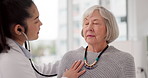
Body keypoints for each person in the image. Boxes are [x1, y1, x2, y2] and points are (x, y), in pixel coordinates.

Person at [0, 0, 85, 78]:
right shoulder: (12, 61)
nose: (41, 23)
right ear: (19, 29)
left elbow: (38, 71)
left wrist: (69, 60)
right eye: (36, 21)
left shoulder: (15, 55)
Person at [57, 5, 136, 78]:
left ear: (108, 28)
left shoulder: (124, 60)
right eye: (86, 23)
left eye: (95, 23)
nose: (89, 28)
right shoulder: (69, 57)